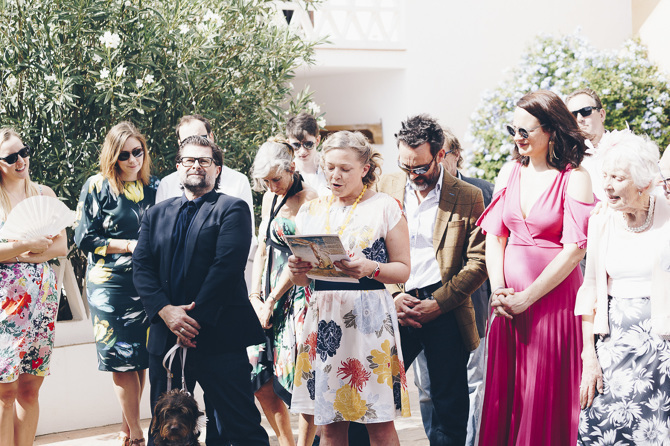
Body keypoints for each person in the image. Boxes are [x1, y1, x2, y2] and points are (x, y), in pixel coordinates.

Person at [133, 135, 269, 446]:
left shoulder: (233, 209)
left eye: (204, 161)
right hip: (165, 335)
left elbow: (226, 268)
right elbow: (141, 267)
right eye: (189, 160)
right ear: (178, 168)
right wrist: (167, 313)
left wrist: (191, 324)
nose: (197, 165)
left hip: (219, 335)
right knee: (164, 430)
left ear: (217, 169)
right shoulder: (156, 213)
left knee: (239, 425)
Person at [477, 90, 595, 445]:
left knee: (544, 395)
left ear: (552, 131)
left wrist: (527, 297)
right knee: (507, 399)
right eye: (514, 130)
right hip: (507, 307)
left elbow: (575, 250)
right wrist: (500, 292)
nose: (518, 138)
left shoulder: (575, 177)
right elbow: (494, 238)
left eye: (526, 131)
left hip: (553, 305)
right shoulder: (509, 171)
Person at [288, 131, 411, 446]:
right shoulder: (310, 210)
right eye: (329, 167)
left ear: (366, 168)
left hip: (368, 319)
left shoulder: (385, 206)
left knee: (379, 422)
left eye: (344, 168)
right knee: (330, 424)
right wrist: (296, 271)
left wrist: (372, 267)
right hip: (323, 317)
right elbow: (303, 281)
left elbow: (403, 268)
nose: (334, 175)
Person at [377, 115, 487, 445]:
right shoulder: (386, 188)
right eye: (406, 166)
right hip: (395, 304)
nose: (413, 175)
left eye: (421, 166)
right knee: (373, 395)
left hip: (445, 306)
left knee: (448, 407)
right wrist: (394, 295)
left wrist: (438, 304)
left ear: (440, 155)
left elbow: (479, 262)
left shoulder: (468, 196)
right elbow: (374, 245)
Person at [575, 130, 670, 445]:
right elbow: (589, 291)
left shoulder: (668, 214)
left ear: (643, 183)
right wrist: (589, 357)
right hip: (612, 347)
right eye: (605, 176)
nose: (606, 185)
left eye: (617, 177)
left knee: (655, 431)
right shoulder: (601, 220)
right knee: (602, 428)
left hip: (662, 350)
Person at [74, 121, 159, 446]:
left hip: (146, 285)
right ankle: (137, 433)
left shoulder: (154, 187)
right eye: (125, 155)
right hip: (110, 287)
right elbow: (84, 237)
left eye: (138, 152)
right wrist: (127, 245)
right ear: (113, 157)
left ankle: (127, 427)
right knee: (122, 359)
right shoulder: (97, 186)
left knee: (140, 358)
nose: (133, 159)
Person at [410, 127, 494, 446]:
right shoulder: (413, 196)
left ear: (455, 156)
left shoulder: (480, 190)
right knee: (428, 387)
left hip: (474, 303)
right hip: (424, 305)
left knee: (473, 383)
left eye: (442, 155)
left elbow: (487, 253)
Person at [0, 127, 67, 446]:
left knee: (29, 390)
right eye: (11, 157)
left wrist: (18, 254)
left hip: (42, 303)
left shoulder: (45, 194)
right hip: (5, 307)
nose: (20, 161)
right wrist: (26, 246)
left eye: (23, 152)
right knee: (5, 391)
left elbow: (60, 247)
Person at [247, 139, 317, 446]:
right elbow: (262, 247)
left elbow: (302, 262)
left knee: (301, 378)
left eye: (276, 179)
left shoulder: (311, 199)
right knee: (259, 377)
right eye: (265, 181)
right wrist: (254, 295)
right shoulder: (268, 198)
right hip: (267, 293)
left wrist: (272, 299)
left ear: (292, 168)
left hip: (299, 294)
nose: (271, 185)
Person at [154, 114, 256, 288]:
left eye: (200, 137)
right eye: (187, 140)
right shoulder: (167, 184)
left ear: (211, 137)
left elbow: (247, 240)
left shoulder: (238, 181)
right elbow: (159, 242)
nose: (194, 144)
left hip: (223, 286)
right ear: (179, 145)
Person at [566, 88, 608, 200]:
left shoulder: (629, 147)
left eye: (586, 111)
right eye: (573, 115)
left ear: (602, 115)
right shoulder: (567, 161)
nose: (579, 119)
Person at [287, 112, 330, 196]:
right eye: (296, 145)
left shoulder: (330, 166)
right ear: (288, 144)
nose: (302, 151)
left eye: (308, 144)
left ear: (317, 141)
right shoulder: (287, 173)